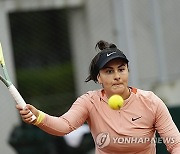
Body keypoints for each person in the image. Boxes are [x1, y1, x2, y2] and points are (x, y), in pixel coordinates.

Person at [16, 40, 180, 154]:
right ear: (98, 78)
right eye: (109, 71)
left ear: (127, 71)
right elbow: (64, 126)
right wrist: (37, 116)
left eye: (121, 69)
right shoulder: (89, 102)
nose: (117, 76)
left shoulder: (150, 101)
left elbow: (175, 143)